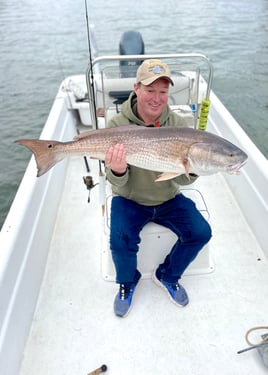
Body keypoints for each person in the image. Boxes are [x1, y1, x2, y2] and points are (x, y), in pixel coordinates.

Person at [104, 59, 212, 317]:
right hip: (130, 199)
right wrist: (118, 170)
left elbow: (182, 181)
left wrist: (192, 167)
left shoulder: (179, 125)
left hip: (168, 197)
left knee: (201, 232)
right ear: (137, 88)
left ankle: (168, 275)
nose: (157, 98)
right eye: (150, 90)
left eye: (163, 92)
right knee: (120, 242)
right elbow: (116, 182)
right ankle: (127, 283)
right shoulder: (117, 125)